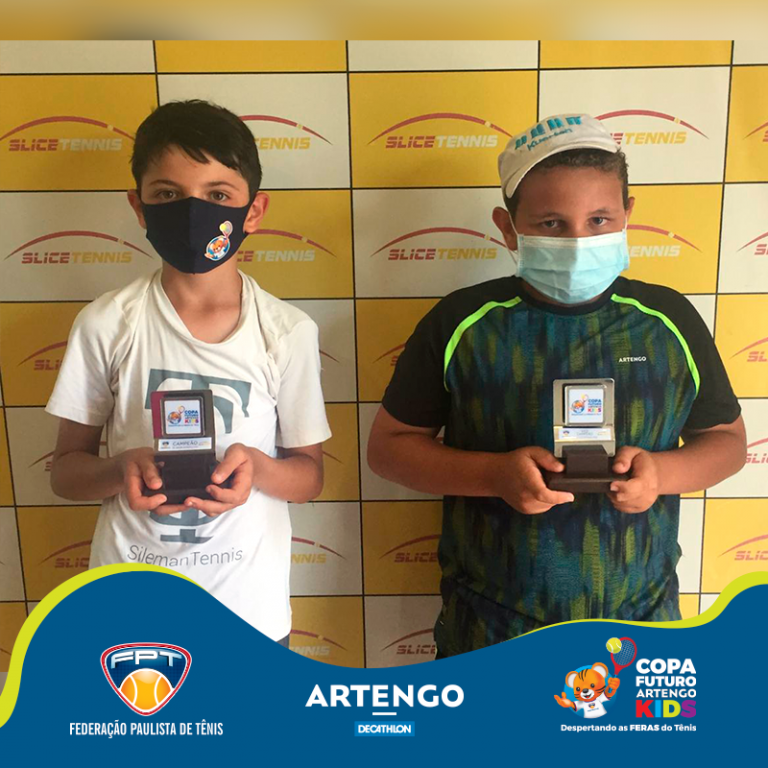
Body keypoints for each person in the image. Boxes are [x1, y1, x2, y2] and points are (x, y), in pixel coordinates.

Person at [367, 113, 746, 658]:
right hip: (490, 632)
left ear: (627, 214)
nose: (578, 241)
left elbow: (727, 442)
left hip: (641, 630)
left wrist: (662, 474)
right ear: (507, 227)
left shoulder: (669, 321)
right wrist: (493, 475)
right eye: (551, 223)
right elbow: (389, 449)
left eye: (598, 220)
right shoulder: (461, 324)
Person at [46, 100, 331, 645]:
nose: (193, 211)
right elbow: (65, 473)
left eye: (218, 195)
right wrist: (120, 470)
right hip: (129, 612)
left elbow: (309, 477)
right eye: (167, 195)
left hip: (249, 617)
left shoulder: (287, 331)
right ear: (139, 206)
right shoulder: (106, 322)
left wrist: (256, 469)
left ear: (254, 211)